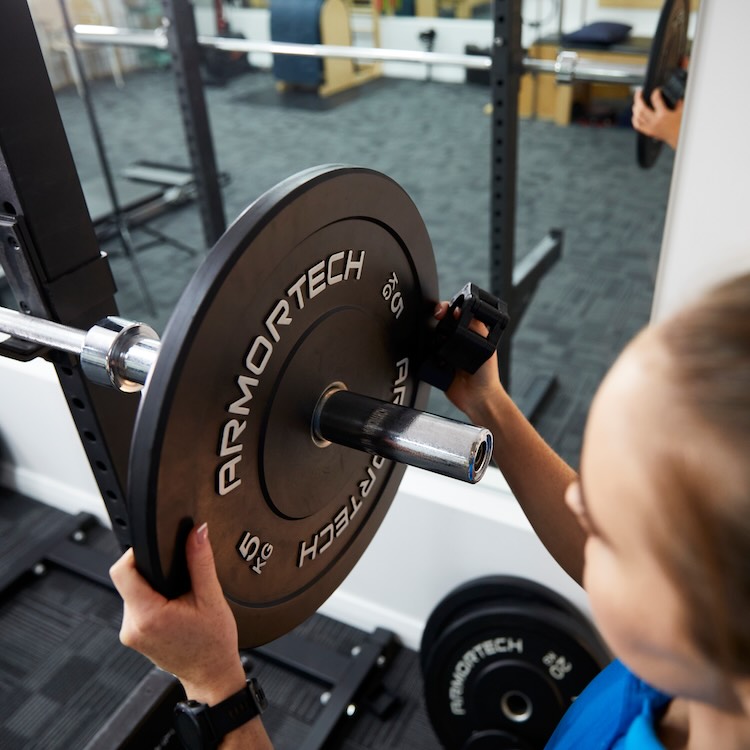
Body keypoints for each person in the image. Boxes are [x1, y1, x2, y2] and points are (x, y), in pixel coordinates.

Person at [110, 271, 750, 749]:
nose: (578, 497)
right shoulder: (699, 672)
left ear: (708, 613)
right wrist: (488, 404)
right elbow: (597, 552)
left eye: (609, 526)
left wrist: (215, 687)